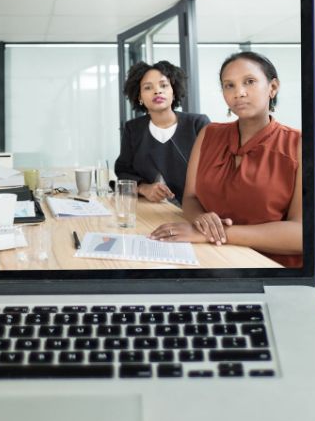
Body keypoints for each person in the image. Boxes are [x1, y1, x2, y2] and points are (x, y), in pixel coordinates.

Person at [149, 51, 302, 267]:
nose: (238, 92)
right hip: (209, 259)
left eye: (249, 82)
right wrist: (200, 219)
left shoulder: (299, 144)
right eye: (229, 85)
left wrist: (212, 234)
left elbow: (302, 234)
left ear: (273, 87)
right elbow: (191, 199)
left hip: (268, 270)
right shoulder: (208, 134)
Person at [114, 60, 209, 204]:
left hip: (196, 210)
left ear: (174, 91)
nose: (157, 91)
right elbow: (123, 171)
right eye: (148, 87)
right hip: (151, 209)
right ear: (139, 97)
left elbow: (215, 173)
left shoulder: (198, 124)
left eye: (164, 85)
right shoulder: (133, 129)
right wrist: (144, 188)